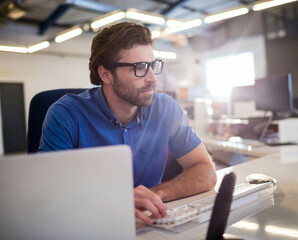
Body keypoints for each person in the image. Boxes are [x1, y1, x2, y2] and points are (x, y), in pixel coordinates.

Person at [38, 22, 217, 224]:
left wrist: (154, 195)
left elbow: (206, 172)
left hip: (149, 224)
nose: (152, 79)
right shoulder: (66, 114)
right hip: (89, 224)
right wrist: (116, 200)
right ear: (106, 74)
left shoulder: (165, 108)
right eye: (139, 68)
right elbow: (49, 194)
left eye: (153, 65)